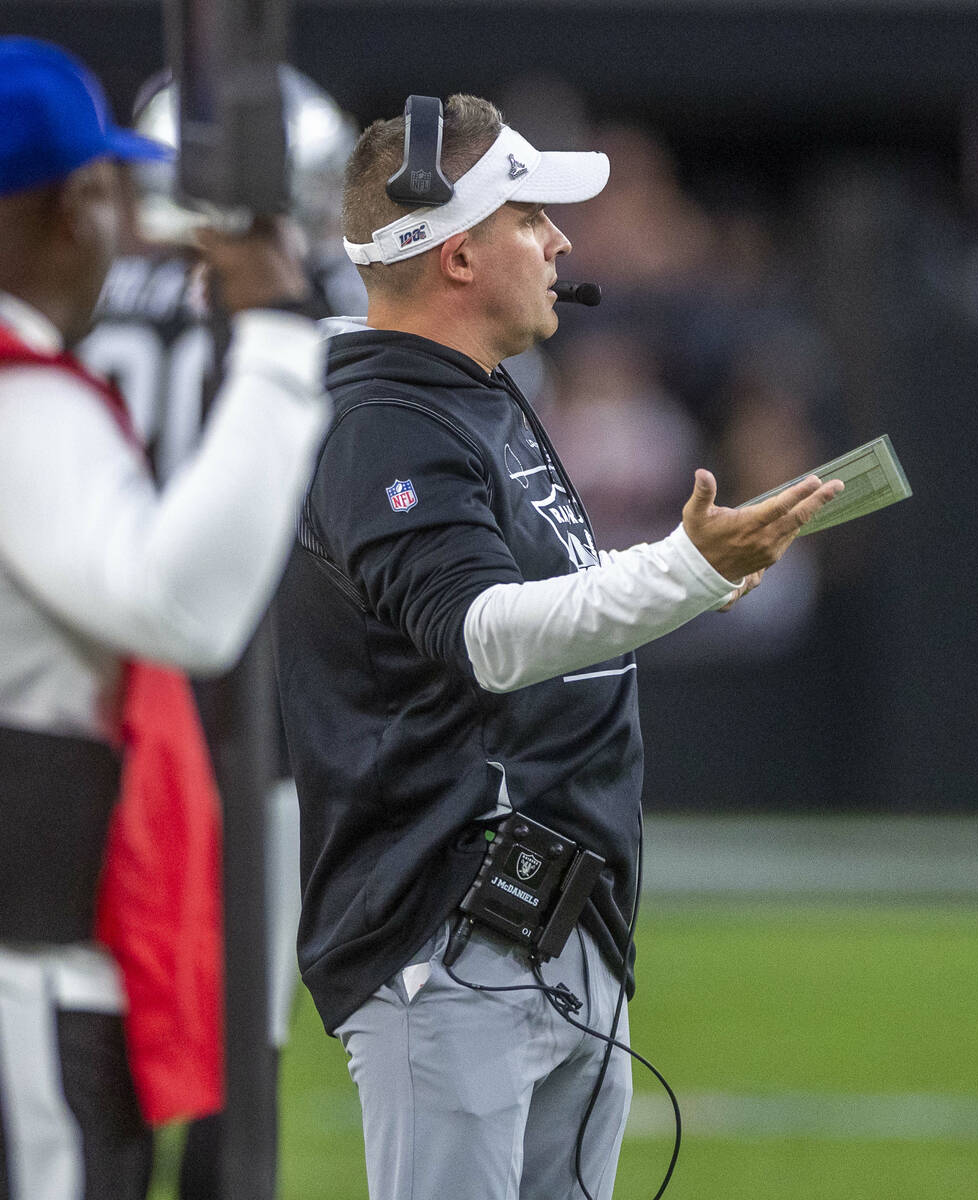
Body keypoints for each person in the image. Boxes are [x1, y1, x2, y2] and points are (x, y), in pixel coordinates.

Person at [272, 93, 842, 1200]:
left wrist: (680, 587)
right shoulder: (381, 423)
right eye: (531, 218)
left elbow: (545, 610)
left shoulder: (476, 398)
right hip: (454, 935)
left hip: (558, 922)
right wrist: (683, 570)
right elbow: (482, 634)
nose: (561, 242)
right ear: (457, 253)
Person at [0, 36, 331, 1200]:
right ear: (72, 202)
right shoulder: (24, 399)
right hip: (36, 951)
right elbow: (183, 608)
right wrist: (283, 337)